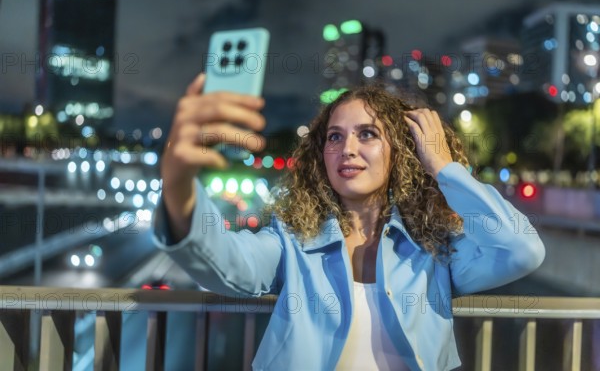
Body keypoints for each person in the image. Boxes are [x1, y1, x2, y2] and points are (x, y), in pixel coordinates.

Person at [153, 73, 546, 371]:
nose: (348, 149)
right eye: (335, 137)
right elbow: (226, 265)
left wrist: (444, 169)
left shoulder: (434, 250)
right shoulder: (293, 240)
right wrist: (177, 184)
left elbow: (521, 249)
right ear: (320, 155)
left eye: (368, 134)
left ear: (402, 154)